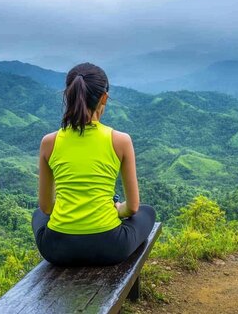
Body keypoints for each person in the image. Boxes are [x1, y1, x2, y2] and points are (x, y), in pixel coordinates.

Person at [31, 63, 156, 266]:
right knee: (147, 211)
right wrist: (116, 209)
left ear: (68, 94)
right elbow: (132, 208)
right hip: (110, 247)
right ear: (104, 98)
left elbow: (46, 207)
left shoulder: (49, 142)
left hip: (57, 249)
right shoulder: (121, 140)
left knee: (38, 214)